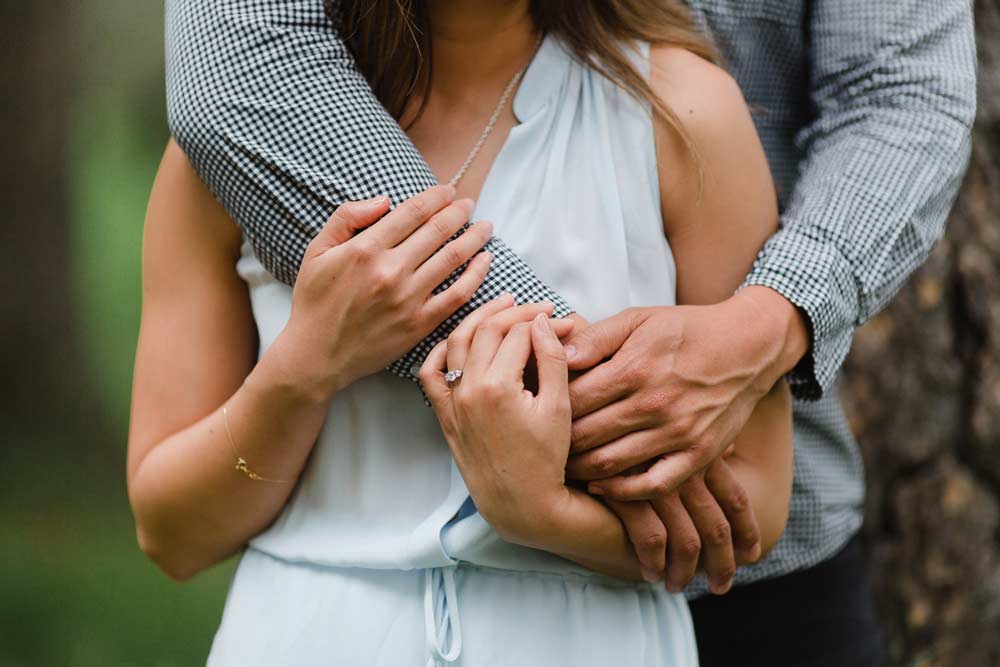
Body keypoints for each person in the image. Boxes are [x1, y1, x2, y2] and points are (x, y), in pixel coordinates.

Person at [162, 0, 978, 665]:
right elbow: (172, 529)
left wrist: (540, 511)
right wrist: (300, 371)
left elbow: (749, 509)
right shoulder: (245, 135)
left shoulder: (685, 119)